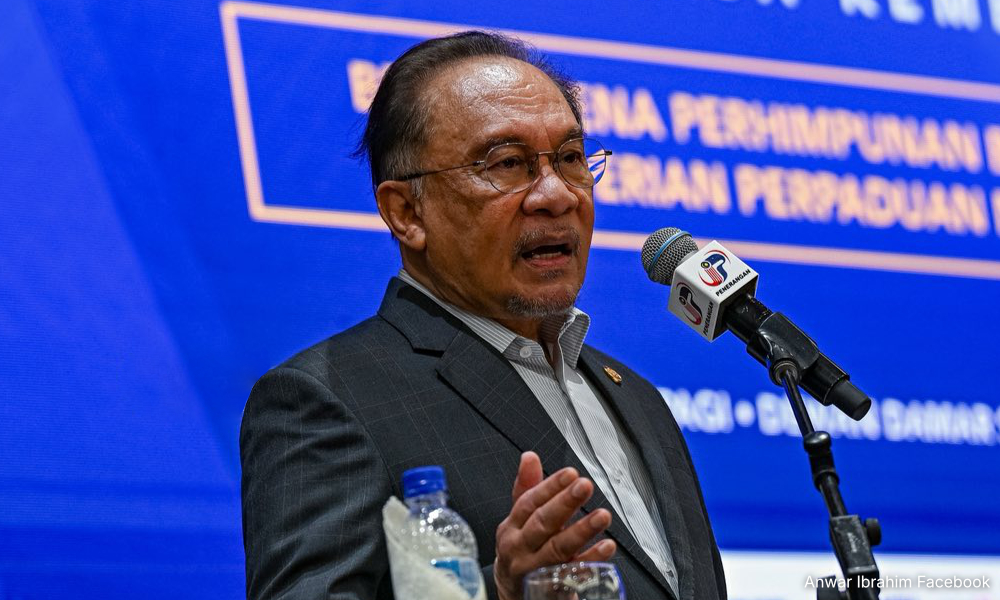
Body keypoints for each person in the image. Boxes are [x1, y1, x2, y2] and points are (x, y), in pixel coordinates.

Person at [240, 31, 727, 600]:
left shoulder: (637, 399)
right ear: (406, 212)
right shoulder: (327, 399)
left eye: (571, 158)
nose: (557, 195)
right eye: (508, 163)